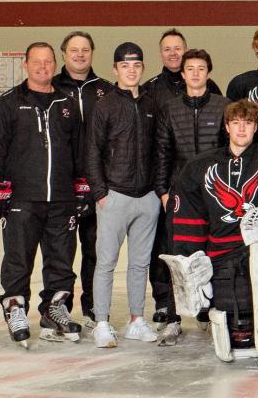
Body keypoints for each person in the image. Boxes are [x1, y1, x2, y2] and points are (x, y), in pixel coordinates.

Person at [170, 100, 258, 352]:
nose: (242, 129)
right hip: (221, 253)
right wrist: (193, 260)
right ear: (227, 127)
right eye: (236, 123)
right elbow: (190, 216)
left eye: (248, 123)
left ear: (256, 127)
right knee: (232, 309)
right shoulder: (199, 166)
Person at [0, 42, 85, 348]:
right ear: (26, 65)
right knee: (18, 259)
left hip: (62, 199)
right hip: (22, 200)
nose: (43, 67)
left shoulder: (66, 102)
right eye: (37, 62)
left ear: (55, 64)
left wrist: (81, 188)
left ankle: (55, 308)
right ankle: (15, 308)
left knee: (61, 260)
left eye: (48, 62)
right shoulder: (10, 103)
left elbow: (78, 150)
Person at [83, 42, 162, 348]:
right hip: (114, 195)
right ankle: (102, 322)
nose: (131, 70)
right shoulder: (104, 106)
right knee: (105, 262)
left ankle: (136, 320)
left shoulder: (151, 104)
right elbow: (92, 153)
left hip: (147, 197)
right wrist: (101, 193)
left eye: (137, 65)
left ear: (143, 69)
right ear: (115, 69)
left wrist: (156, 191)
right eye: (125, 65)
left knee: (140, 263)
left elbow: (159, 151)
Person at [152, 48, 227, 342]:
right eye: (190, 69)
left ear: (208, 72)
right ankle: (172, 317)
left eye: (201, 68)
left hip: (214, 194)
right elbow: (162, 154)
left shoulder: (223, 106)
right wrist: (163, 192)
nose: (195, 74)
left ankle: (210, 310)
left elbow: (226, 152)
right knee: (176, 257)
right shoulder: (170, 109)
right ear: (182, 74)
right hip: (180, 196)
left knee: (215, 254)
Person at [52, 31, 115, 327]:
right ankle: (59, 305)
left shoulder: (104, 89)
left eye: (85, 50)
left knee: (94, 249)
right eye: (74, 50)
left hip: (97, 186)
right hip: (60, 186)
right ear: (64, 53)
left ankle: (92, 306)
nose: (80, 55)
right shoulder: (50, 88)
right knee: (60, 250)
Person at [145, 29, 222, 102]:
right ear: (161, 54)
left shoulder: (208, 85)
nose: (172, 53)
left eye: (177, 48)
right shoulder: (149, 88)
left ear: (186, 52)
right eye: (167, 49)